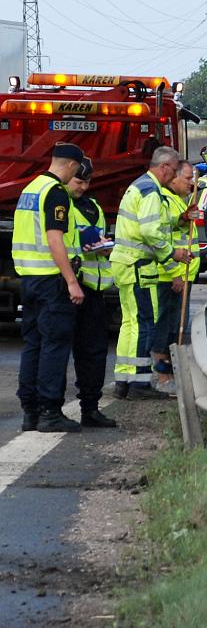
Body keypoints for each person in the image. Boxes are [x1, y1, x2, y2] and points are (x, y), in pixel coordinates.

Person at [110, 146, 191, 400]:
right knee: (142, 323)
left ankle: (124, 378)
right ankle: (139, 382)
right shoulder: (151, 191)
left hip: (126, 264)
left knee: (129, 323)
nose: (175, 174)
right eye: (175, 169)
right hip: (137, 265)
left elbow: (154, 226)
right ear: (164, 166)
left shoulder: (140, 187)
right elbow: (151, 232)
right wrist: (172, 255)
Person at [13, 142, 84, 433]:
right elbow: (55, 239)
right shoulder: (55, 193)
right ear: (70, 166)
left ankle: (30, 411)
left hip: (28, 279)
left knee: (33, 345)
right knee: (54, 345)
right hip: (51, 282)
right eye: (76, 171)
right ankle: (50, 411)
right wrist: (71, 280)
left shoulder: (30, 188)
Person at [66, 157, 117, 427]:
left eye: (86, 181)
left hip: (94, 289)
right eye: (78, 181)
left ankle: (90, 407)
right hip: (69, 287)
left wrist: (104, 246)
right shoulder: (59, 205)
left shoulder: (93, 206)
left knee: (95, 352)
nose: (83, 187)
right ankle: (49, 409)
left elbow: (98, 239)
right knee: (60, 350)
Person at [151, 160, 200, 392]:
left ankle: (171, 372)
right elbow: (162, 238)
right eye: (188, 178)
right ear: (174, 178)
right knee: (167, 326)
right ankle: (162, 376)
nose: (191, 183)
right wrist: (175, 274)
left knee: (174, 326)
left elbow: (177, 229)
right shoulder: (165, 200)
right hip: (171, 274)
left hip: (183, 272)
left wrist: (184, 218)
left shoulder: (179, 201)